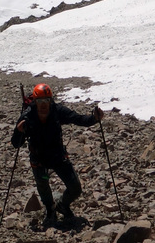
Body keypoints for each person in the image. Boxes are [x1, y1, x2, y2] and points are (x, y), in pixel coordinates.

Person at [11, 82, 103, 228]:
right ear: (35, 101)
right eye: (40, 101)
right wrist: (19, 131)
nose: (43, 104)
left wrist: (94, 119)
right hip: (38, 157)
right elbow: (16, 143)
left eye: (46, 101)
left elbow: (77, 119)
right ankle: (50, 210)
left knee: (75, 188)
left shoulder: (57, 110)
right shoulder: (27, 116)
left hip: (57, 156)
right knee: (43, 187)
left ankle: (62, 205)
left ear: (50, 100)